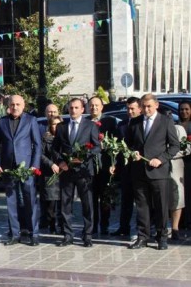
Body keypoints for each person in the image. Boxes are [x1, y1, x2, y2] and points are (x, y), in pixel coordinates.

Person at [126, 94, 180, 250]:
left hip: (158, 172)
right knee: (142, 206)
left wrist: (161, 159)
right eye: (143, 106)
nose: (146, 109)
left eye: (149, 106)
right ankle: (142, 237)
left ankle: (162, 237)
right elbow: (129, 144)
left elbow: (174, 146)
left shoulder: (165, 121)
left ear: (156, 105)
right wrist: (132, 152)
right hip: (139, 171)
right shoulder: (135, 122)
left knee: (161, 206)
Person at [0, 95, 42, 246]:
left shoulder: (31, 120)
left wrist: (35, 165)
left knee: (30, 201)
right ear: (8, 105)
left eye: (18, 104)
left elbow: (37, 144)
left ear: (23, 105)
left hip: (26, 168)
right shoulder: (2, 122)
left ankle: (34, 234)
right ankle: (14, 234)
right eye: (12, 104)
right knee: (11, 201)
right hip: (8, 168)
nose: (15, 107)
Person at [52, 97, 100, 247]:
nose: (73, 110)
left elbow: (97, 147)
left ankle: (87, 235)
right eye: (71, 108)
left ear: (82, 109)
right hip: (67, 171)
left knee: (87, 205)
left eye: (76, 108)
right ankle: (67, 235)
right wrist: (60, 161)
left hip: (84, 171)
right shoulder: (61, 127)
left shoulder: (90, 126)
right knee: (66, 204)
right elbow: (55, 148)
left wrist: (84, 157)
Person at [88, 96, 118, 235]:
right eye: (91, 105)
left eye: (97, 105)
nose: (94, 108)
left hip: (105, 165)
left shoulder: (109, 121)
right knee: (91, 198)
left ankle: (104, 224)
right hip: (90, 165)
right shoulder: (85, 122)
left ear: (102, 107)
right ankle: (92, 225)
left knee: (105, 197)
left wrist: (114, 163)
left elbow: (116, 144)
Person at [111, 97, 142, 237]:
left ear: (139, 109)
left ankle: (142, 229)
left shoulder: (143, 123)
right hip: (125, 168)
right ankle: (124, 227)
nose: (129, 111)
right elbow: (117, 146)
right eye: (128, 109)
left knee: (141, 201)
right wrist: (114, 164)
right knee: (126, 200)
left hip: (140, 167)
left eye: (132, 109)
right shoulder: (122, 125)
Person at [39, 115, 63, 234]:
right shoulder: (45, 138)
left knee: (63, 202)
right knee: (51, 202)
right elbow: (40, 154)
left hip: (63, 173)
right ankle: (52, 225)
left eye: (58, 124)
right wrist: (51, 164)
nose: (56, 127)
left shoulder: (65, 136)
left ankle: (63, 226)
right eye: (54, 124)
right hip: (50, 173)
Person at [169, 122, 188, 241]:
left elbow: (186, 148)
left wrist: (167, 155)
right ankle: (163, 229)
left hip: (175, 165)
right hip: (158, 167)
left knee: (177, 197)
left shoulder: (178, 129)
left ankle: (175, 228)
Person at [178, 101, 191, 230]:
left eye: (187, 109)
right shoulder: (176, 125)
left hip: (190, 163)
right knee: (181, 193)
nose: (184, 112)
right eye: (182, 109)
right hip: (179, 163)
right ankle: (181, 221)